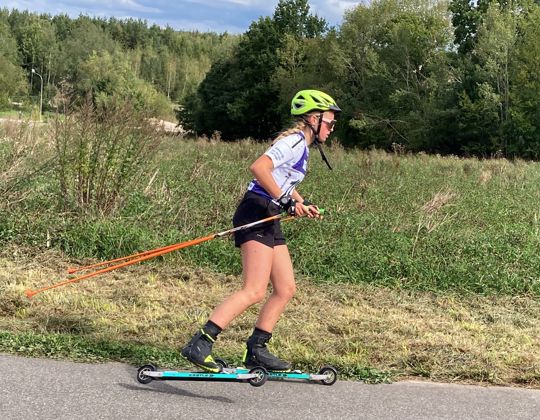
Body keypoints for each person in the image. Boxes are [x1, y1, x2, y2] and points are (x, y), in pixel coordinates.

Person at [181, 89, 341, 372]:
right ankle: (200, 342)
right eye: (329, 122)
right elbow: (260, 168)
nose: (332, 127)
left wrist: (302, 202)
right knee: (254, 290)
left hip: (270, 213)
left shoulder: (302, 146)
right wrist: (285, 201)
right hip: (256, 210)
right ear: (314, 119)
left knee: (285, 288)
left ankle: (256, 349)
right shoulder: (293, 142)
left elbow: (284, 181)